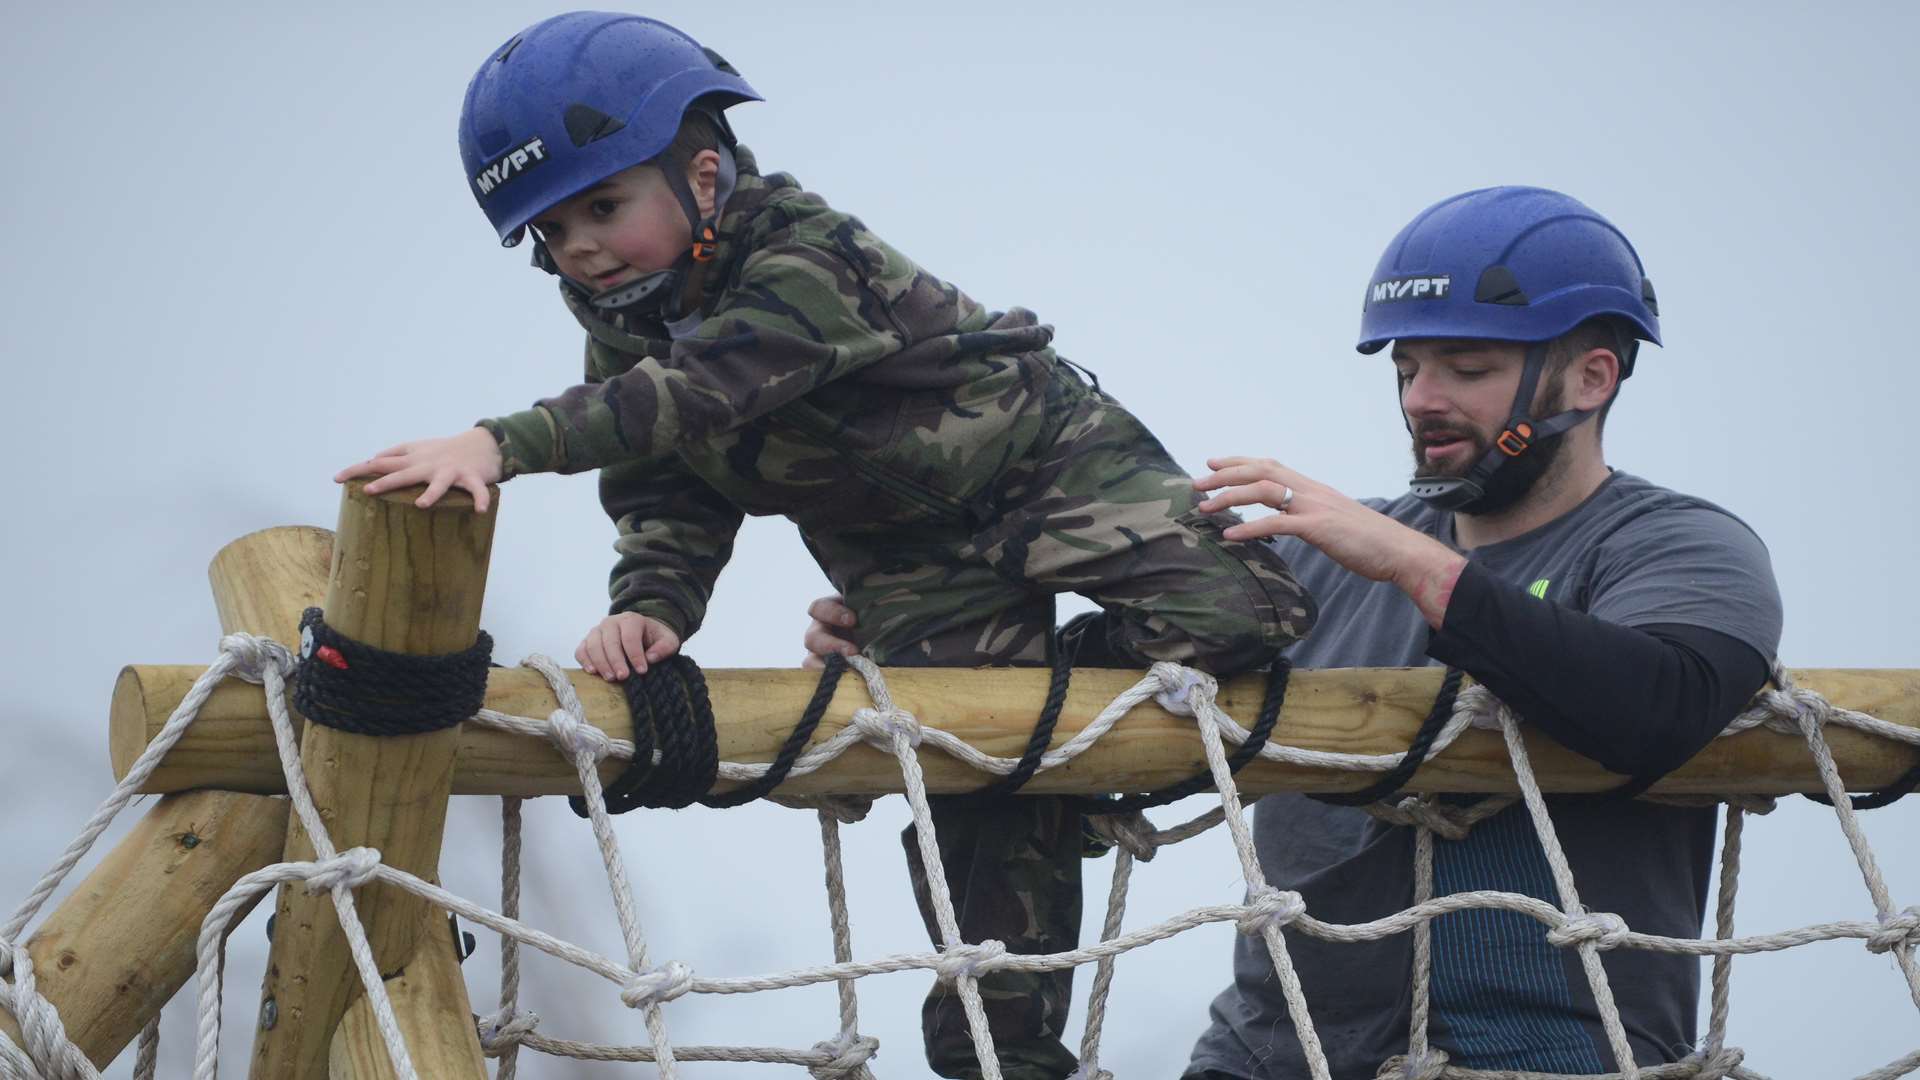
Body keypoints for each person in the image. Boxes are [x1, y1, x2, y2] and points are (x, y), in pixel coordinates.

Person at [333, 13, 1315, 1079]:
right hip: (900, 555)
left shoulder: (802, 255)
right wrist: (654, 603)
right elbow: (668, 477)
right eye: (551, 232)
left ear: (704, 177)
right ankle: (1007, 1054)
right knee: (978, 775)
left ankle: (1065, 686)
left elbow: (693, 393)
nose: (580, 247)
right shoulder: (623, 319)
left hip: (1042, 471)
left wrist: (500, 442)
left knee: (1247, 616)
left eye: (604, 207)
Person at [805, 187, 1782, 1077]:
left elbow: (1661, 707)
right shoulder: (1310, 562)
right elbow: (1078, 703)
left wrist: (1414, 563)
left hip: (1546, 1050)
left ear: (1591, 378)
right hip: (1277, 1053)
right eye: (1406, 368)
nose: (1420, 400)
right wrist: (912, 659)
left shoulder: (1679, 547)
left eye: (1467, 367)